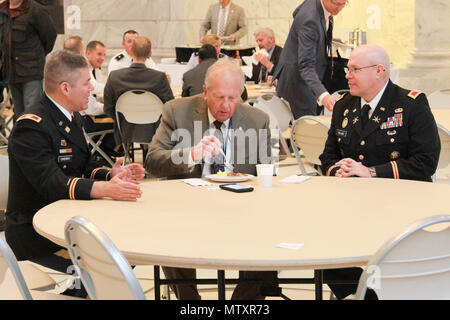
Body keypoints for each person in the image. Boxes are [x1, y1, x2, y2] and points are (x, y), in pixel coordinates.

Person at [5, 50, 145, 296]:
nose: (91, 87)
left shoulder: (71, 117)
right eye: (86, 82)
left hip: (69, 219)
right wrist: (106, 189)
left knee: (125, 250)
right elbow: (52, 183)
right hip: (37, 232)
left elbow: (84, 164)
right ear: (65, 89)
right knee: (110, 265)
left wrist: (110, 174)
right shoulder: (31, 126)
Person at [319, 44, 441, 299]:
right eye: (347, 69)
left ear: (379, 71)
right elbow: (327, 156)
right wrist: (338, 170)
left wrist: (371, 172)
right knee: (323, 252)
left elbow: (425, 162)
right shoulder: (343, 106)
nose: (347, 75)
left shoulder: (410, 105)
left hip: (400, 207)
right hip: (351, 208)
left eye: (354, 69)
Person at [146, 60, 275, 300]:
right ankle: (191, 302)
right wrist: (192, 154)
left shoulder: (258, 120)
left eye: (233, 98)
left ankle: (242, 303)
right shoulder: (176, 111)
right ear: (205, 92)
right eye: (219, 97)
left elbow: (268, 174)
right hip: (187, 206)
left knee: (269, 235)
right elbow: (152, 161)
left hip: (241, 208)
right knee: (168, 233)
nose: (226, 105)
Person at [273, 0, 347, 119]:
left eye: (344, 3)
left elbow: (296, 13)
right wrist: (324, 96)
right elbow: (306, 66)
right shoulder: (310, 20)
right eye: (336, 3)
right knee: (308, 129)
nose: (340, 8)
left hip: (304, 78)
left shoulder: (315, 5)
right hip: (298, 83)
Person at [104, 36, 174, 148]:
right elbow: (170, 105)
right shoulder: (159, 78)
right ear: (149, 54)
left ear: (131, 51)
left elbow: (108, 107)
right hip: (154, 130)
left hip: (126, 130)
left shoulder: (115, 77)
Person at [0, 0, 57, 121]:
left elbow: (50, 37)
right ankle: (23, 140)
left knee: (32, 113)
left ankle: (34, 139)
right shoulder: (2, 9)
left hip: (31, 72)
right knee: (19, 115)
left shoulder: (37, 10)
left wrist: (36, 57)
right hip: (11, 73)